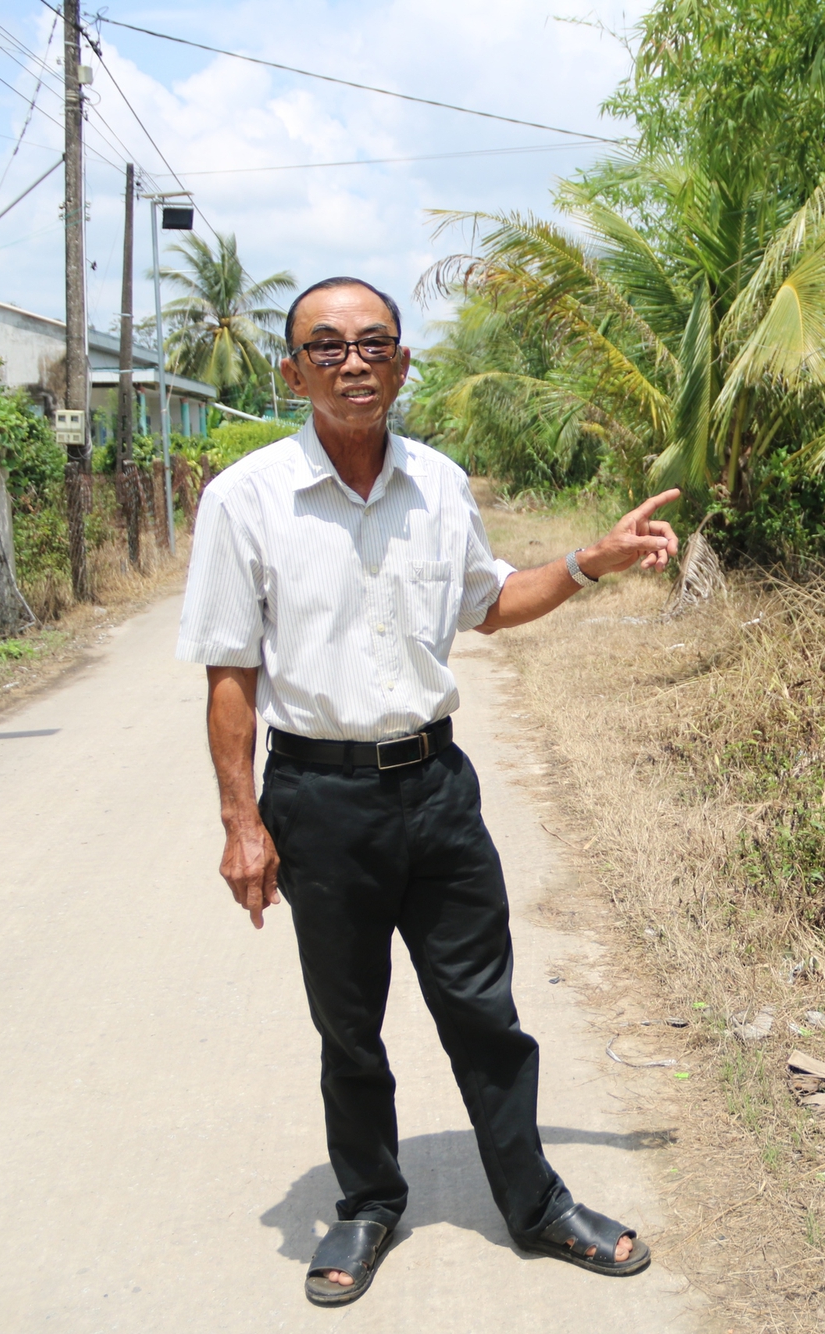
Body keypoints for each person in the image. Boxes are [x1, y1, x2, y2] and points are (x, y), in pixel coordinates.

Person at [176, 275, 678, 1306]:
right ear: (292, 370)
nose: (352, 360)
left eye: (373, 343)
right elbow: (229, 673)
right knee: (349, 1025)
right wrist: (243, 821)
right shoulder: (246, 499)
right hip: (318, 796)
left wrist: (592, 559)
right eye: (326, 346)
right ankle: (367, 1200)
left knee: (484, 1012)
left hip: (437, 789)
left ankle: (534, 1203)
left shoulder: (440, 484)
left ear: (403, 362)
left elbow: (489, 606)